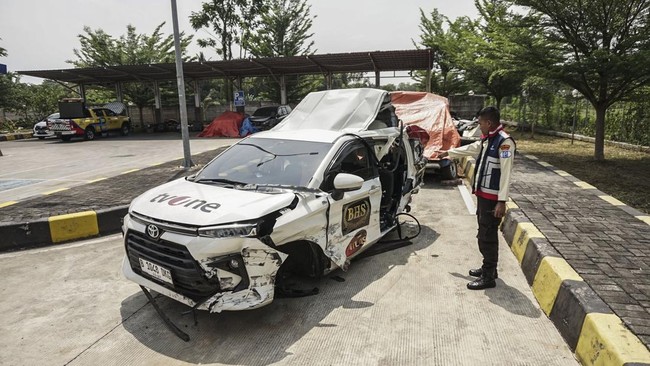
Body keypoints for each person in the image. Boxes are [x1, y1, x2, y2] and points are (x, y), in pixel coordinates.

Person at [439, 106, 516, 290]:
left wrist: (501, 201)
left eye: (480, 122)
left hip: (492, 198)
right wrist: (448, 153)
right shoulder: (488, 139)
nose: (479, 125)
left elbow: (506, 174)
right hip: (483, 194)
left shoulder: (504, 143)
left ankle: (488, 277)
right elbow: (473, 148)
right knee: (484, 232)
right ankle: (489, 268)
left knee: (487, 235)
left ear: (489, 123)